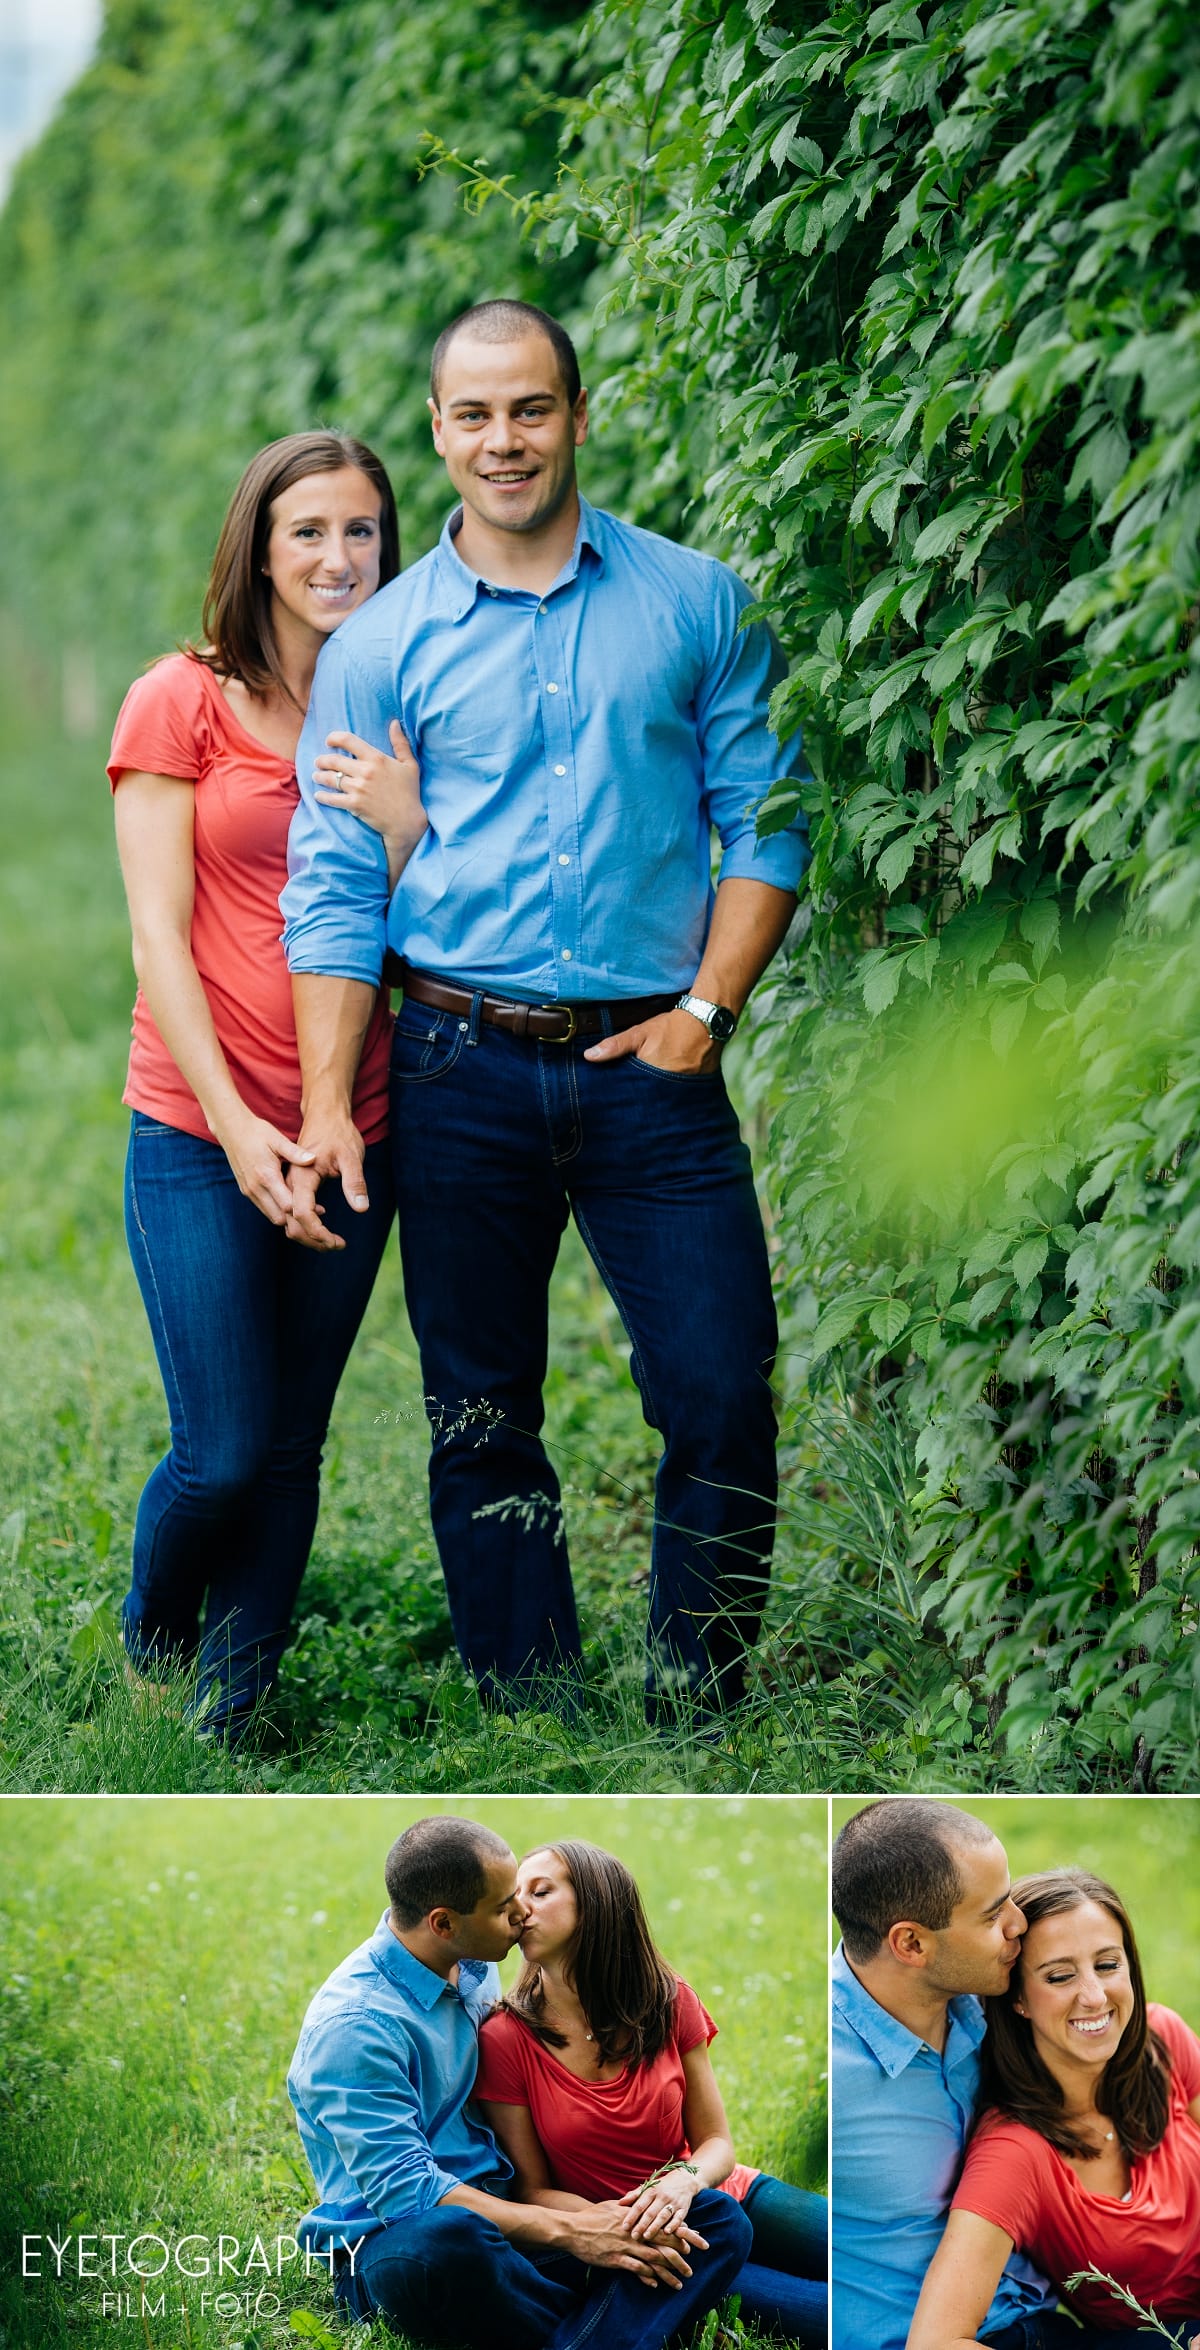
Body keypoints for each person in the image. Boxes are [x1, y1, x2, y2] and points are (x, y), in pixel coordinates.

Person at [280, 297, 811, 1724]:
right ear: (438, 430)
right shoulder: (380, 645)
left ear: (579, 415)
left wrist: (708, 1009)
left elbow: (768, 822)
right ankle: (532, 1703)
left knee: (720, 1388)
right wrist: (330, 1101)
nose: (503, 439)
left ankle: (698, 1692)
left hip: (655, 1065)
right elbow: (334, 890)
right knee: (479, 1410)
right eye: (474, 414)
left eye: (530, 408)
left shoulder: (697, 603)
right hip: (455, 1063)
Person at [109, 430, 426, 1740]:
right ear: (259, 548)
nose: (336, 556)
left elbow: (434, 929)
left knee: (292, 1443)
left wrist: (410, 829)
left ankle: (231, 1711)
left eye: (360, 531)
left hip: (356, 1124)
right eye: (308, 531)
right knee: (224, 1449)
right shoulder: (178, 699)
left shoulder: (406, 709)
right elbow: (157, 937)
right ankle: (154, 1632)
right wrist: (242, 1128)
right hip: (200, 1126)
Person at [287, 1814, 753, 2350]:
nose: (519, 1913)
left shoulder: (472, 1962)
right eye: (503, 1906)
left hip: (519, 2228)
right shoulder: (354, 2029)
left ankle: (600, 2324)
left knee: (720, 2218)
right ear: (444, 1924)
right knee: (450, 2239)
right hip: (403, 2242)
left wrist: (596, 2225)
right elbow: (408, 2195)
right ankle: (631, 2316)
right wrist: (575, 2232)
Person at [472, 1838, 828, 2344]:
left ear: (595, 1904)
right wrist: (633, 2224)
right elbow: (531, 2190)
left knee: (877, 2252)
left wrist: (684, 2183)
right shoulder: (506, 2038)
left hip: (717, 2198)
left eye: (541, 1891)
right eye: (515, 1895)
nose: (519, 1909)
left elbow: (716, 2143)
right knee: (832, 2313)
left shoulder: (669, 2000)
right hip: (639, 2235)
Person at [907, 1869, 1200, 2349]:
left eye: (1108, 1965)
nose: (1094, 1996)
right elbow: (935, 2343)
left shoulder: (1161, 2039)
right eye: (1060, 1976)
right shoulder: (1014, 2152)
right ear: (1019, 1998)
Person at [831, 1798, 1058, 2350]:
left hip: (1045, 2318)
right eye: (993, 1915)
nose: (1019, 1924)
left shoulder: (992, 2003)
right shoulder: (836, 2072)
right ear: (911, 1944)